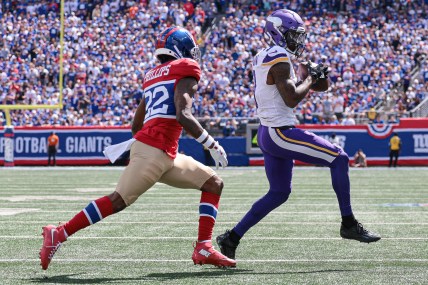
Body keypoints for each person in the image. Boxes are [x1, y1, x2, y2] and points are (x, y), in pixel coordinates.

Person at [39, 27, 236, 270]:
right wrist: (211, 143)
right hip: (154, 152)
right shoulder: (186, 67)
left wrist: (152, 142)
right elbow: (184, 115)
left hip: (163, 153)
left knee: (213, 183)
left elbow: (136, 125)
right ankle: (59, 233)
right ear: (180, 48)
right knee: (118, 200)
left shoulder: (152, 75)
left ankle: (204, 247)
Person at [216, 9, 381, 261]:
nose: (298, 40)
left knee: (279, 193)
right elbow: (292, 98)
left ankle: (232, 237)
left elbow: (318, 86)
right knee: (340, 158)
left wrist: (314, 77)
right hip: (280, 132)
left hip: (268, 132)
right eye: (293, 35)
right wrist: (310, 78)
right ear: (278, 33)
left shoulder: (267, 55)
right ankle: (348, 223)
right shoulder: (279, 56)